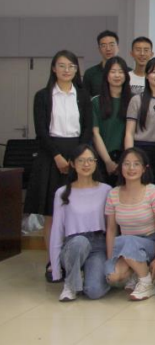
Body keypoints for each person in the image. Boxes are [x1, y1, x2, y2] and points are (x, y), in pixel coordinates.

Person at [25, 49, 93, 282]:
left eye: (71, 66)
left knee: (76, 210)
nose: (66, 70)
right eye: (62, 65)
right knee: (52, 213)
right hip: (50, 155)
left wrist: (77, 158)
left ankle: (75, 260)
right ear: (54, 68)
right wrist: (56, 156)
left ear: (76, 70)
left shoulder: (82, 96)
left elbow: (87, 129)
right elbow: (41, 130)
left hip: (78, 155)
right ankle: (52, 262)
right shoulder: (43, 96)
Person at [49, 144, 111, 301]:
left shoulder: (106, 190)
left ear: (96, 163)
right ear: (72, 163)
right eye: (81, 160)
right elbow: (57, 231)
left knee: (94, 292)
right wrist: (55, 270)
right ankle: (70, 285)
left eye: (90, 160)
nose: (86, 164)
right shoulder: (62, 192)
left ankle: (87, 276)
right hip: (73, 244)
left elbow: (111, 227)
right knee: (80, 242)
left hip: (98, 245)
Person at [104, 147, 155, 301]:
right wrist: (111, 257)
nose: (131, 168)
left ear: (144, 168)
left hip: (149, 242)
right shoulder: (113, 193)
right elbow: (111, 230)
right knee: (113, 276)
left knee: (128, 241)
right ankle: (136, 272)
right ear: (120, 167)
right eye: (126, 164)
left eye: (136, 164)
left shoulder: (153, 192)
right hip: (125, 243)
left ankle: (146, 283)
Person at [124, 57, 155, 192]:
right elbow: (129, 132)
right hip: (141, 151)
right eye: (154, 72)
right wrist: (129, 156)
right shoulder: (137, 100)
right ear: (146, 75)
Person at [92, 57, 132, 185]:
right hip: (102, 157)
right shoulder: (96, 101)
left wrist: (126, 160)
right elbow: (95, 134)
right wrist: (108, 161)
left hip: (127, 159)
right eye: (113, 71)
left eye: (121, 72)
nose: (117, 75)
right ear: (106, 75)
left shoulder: (133, 101)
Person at [83, 30, 119, 97]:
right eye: (104, 45)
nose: (108, 49)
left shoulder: (127, 72)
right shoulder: (90, 73)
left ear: (118, 47)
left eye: (111, 45)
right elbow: (85, 99)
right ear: (99, 49)